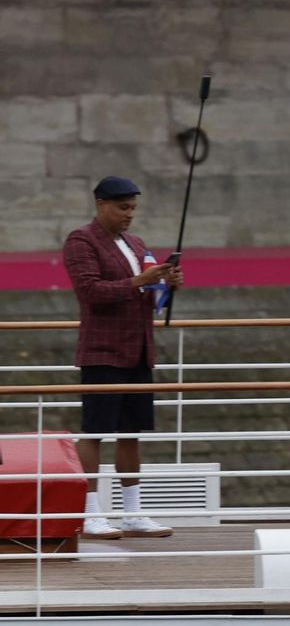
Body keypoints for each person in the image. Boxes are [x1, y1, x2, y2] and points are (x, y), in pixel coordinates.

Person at [63, 176, 184, 540]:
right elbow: (90, 291)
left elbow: (144, 295)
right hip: (103, 352)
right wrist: (138, 281)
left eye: (132, 208)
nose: (129, 215)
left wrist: (163, 283)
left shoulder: (136, 244)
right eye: (122, 208)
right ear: (101, 205)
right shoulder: (81, 240)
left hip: (139, 350)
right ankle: (90, 513)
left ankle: (132, 513)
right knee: (95, 431)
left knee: (132, 433)